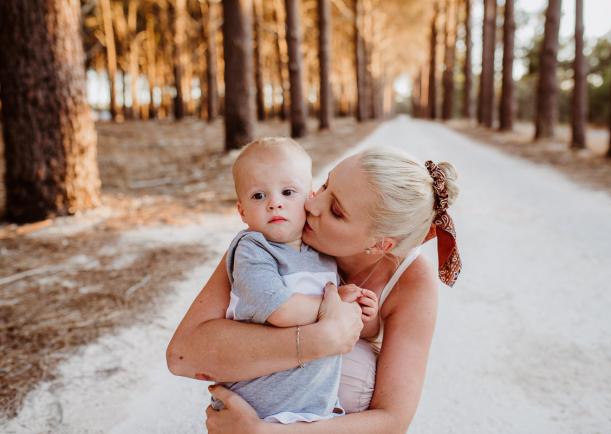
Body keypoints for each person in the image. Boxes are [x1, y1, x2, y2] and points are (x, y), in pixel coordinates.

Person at [167, 146, 462, 433]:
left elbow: (393, 421)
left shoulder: (411, 282)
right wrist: (320, 338)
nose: (311, 205)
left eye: (335, 211)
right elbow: (182, 356)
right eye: (324, 186)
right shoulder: (276, 234)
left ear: (379, 244)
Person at [211, 137, 378, 424]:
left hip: (311, 408)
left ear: (308, 197)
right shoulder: (252, 248)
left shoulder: (321, 253)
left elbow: (353, 327)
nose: (275, 203)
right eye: (258, 196)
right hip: (257, 405)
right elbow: (279, 309)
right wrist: (336, 303)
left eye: (288, 192)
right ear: (242, 212)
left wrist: (363, 311)